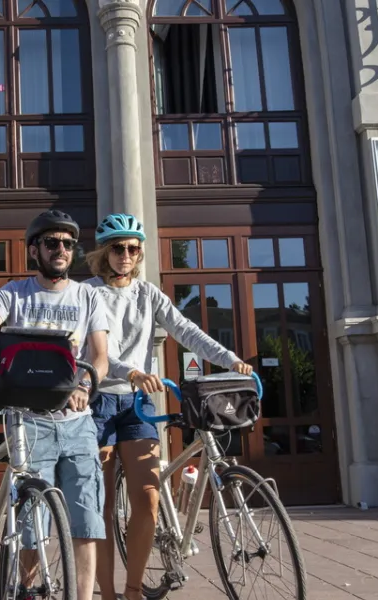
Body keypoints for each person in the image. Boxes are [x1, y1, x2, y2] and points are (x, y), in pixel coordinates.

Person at [84, 214, 253, 600]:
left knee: (148, 495)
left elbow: (186, 330)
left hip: (138, 404)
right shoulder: (89, 293)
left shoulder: (148, 294)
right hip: (98, 402)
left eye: (133, 248)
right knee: (103, 505)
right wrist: (131, 372)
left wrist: (231, 360)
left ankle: (132, 590)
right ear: (103, 253)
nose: (126, 255)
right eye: (118, 248)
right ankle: (107, 593)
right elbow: (95, 353)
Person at [0, 209, 109, 600]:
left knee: (87, 519)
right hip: (28, 422)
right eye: (52, 243)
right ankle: (28, 589)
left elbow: (100, 354)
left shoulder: (88, 295)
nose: (62, 250)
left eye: (68, 244)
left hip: (77, 420)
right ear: (34, 249)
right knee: (33, 522)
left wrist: (86, 383)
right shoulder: (14, 292)